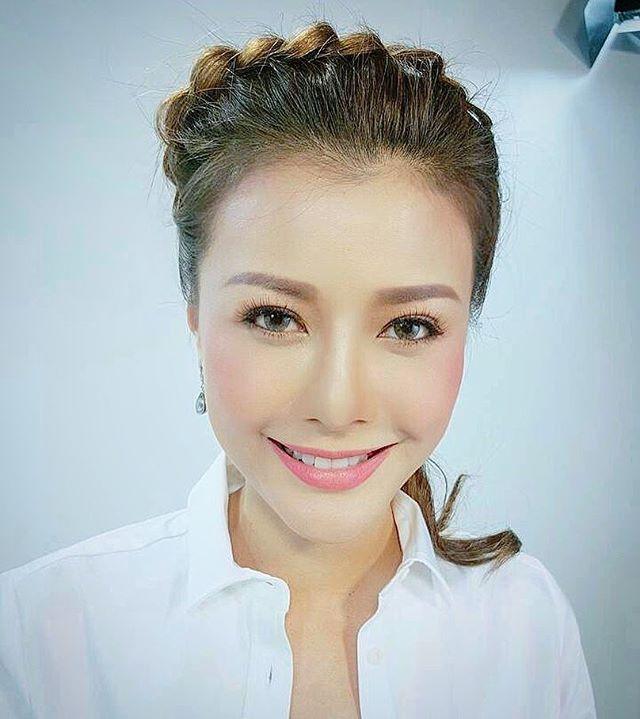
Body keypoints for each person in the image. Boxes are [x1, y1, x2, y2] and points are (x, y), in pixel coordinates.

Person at [0, 19, 597, 719]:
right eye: (275, 317)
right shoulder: (42, 637)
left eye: (409, 326)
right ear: (195, 314)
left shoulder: (528, 624)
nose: (338, 406)